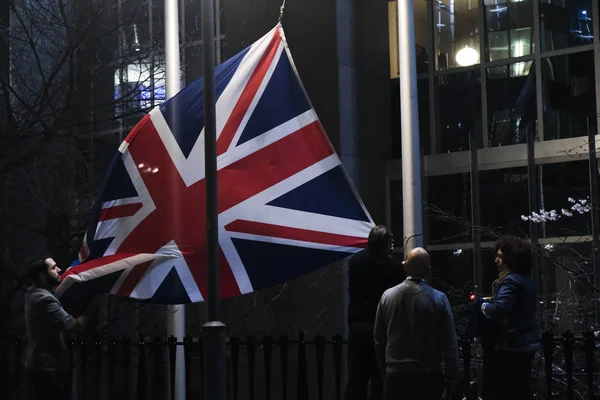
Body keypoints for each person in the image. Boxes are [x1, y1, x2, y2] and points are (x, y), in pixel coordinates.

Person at [374, 247, 458, 400]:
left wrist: (385, 370)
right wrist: (452, 376)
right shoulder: (438, 299)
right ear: (428, 270)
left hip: (395, 374)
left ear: (405, 266)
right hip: (428, 375)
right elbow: (449, 342)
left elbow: (379, 339)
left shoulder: (387, 296)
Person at [24, 254, 101, 400]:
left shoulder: (31, 292)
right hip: (48, 370)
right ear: (42, 275)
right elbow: (75, 326)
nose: (59, 269)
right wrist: (93, 306)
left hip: (39, 367)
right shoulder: (45, 300)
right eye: (53, 268)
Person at [346, 225, 405, 400]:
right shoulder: (395, 270)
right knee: (380, 381)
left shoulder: (356, 262)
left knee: (356, 381)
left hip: (358, 326)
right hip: (383, 330)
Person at [480, 236, 540, 400]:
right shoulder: (526, 279)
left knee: (505, 390)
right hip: (526, 342)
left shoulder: (510, 281)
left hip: (510, 345)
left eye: (500, 256)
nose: (496, 260)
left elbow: (500, 310)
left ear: (510, 259)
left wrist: (484, 306)